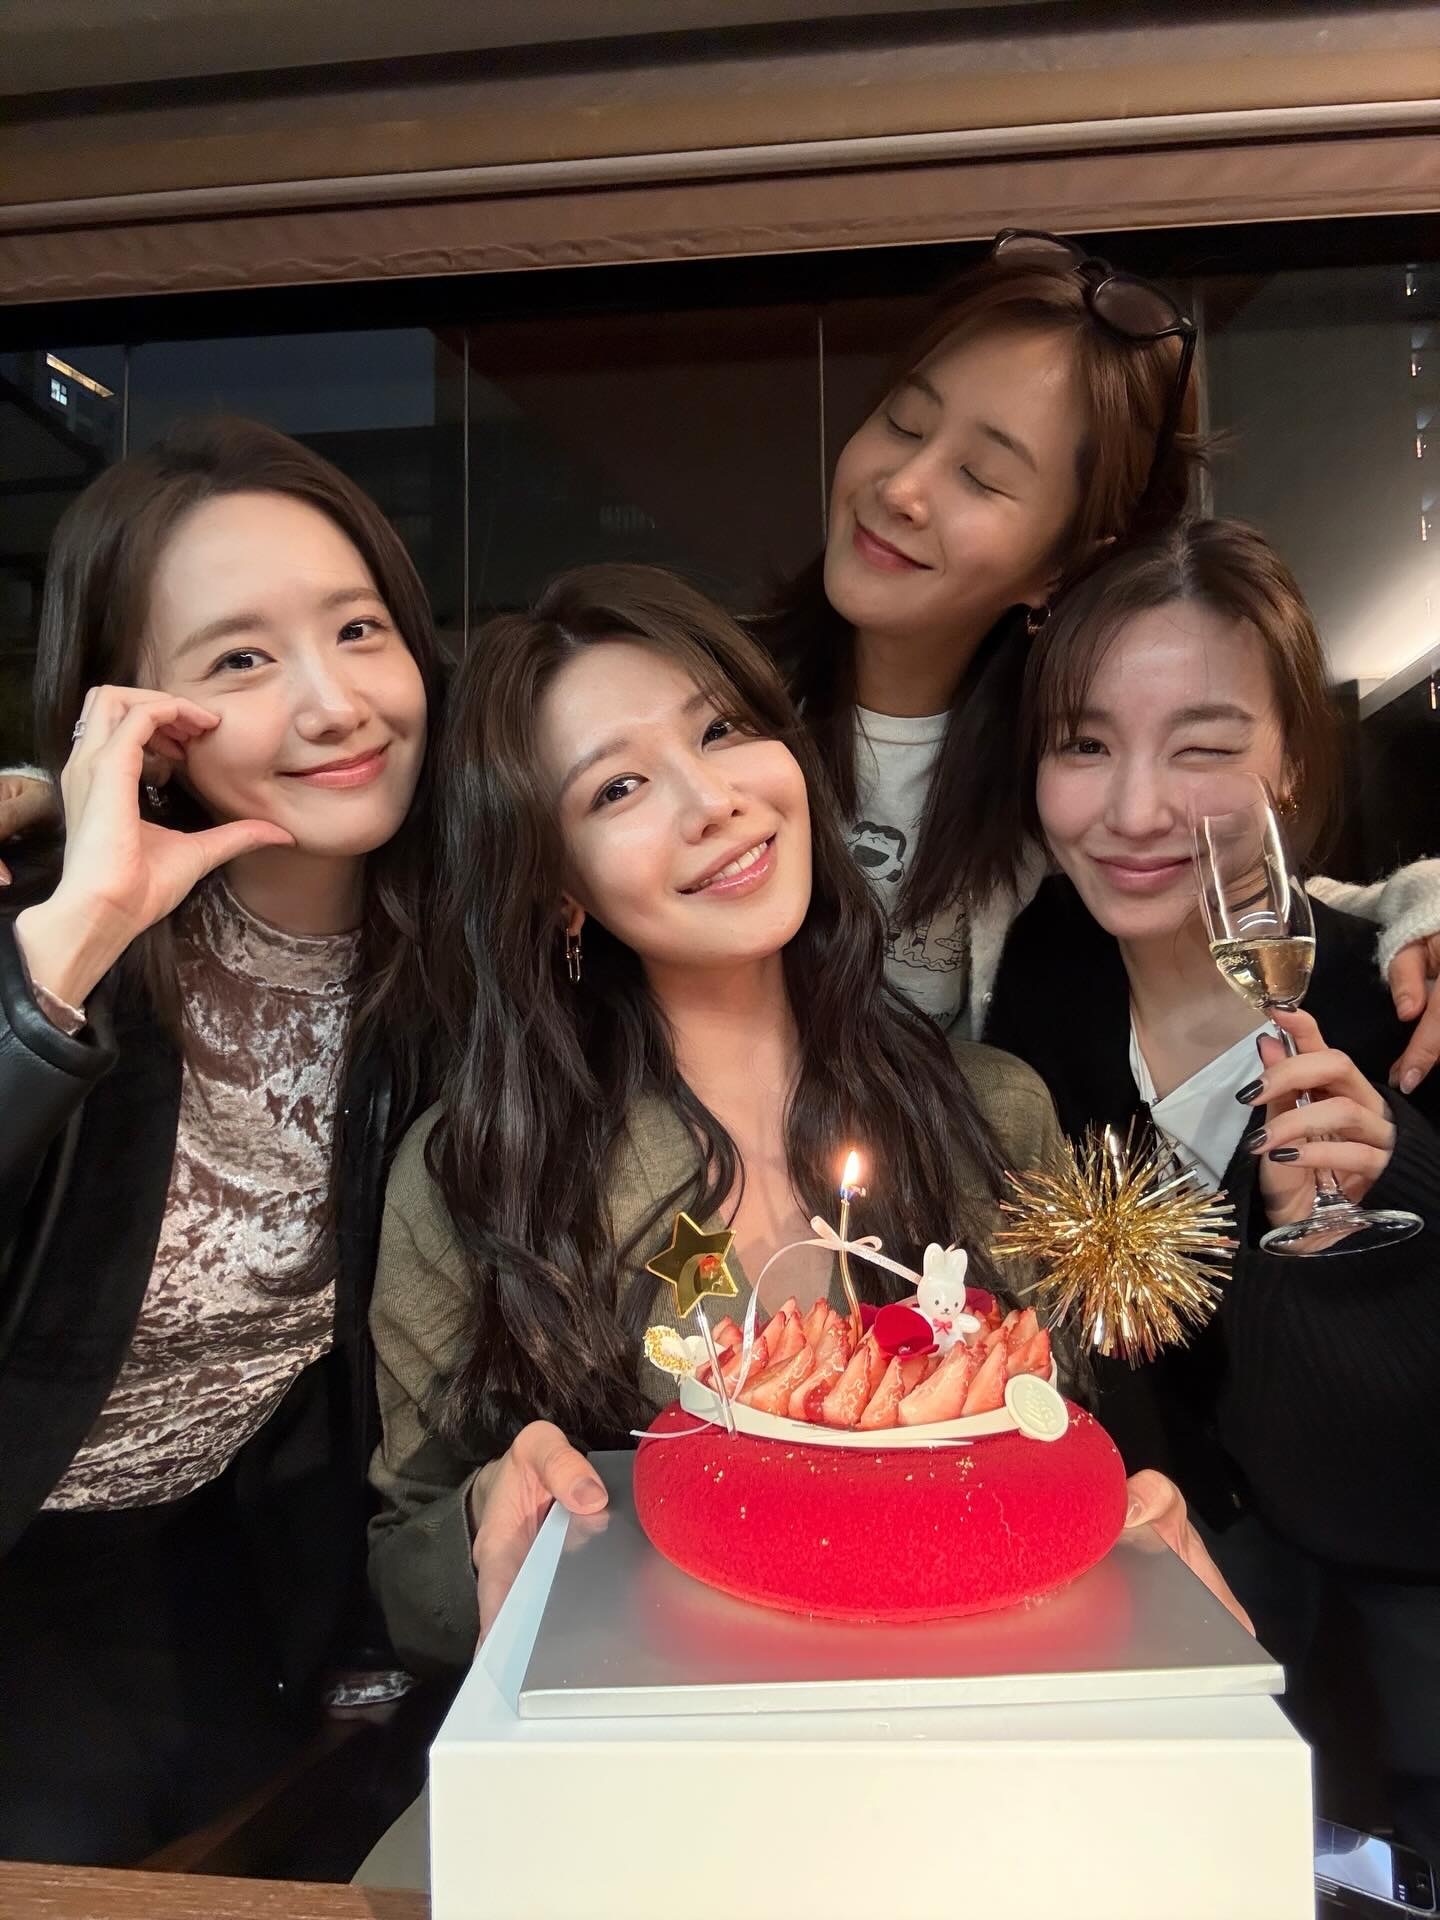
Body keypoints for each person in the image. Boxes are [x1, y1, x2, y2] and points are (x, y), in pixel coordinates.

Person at [364, 562, 1244, 1679]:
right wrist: (493, 1509)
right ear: (557, 886)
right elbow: (405, 1566)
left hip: (968, 1720)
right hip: (672, 1728)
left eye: (722, 730)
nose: (711, 801)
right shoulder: (482, 1173)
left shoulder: (990, 1113)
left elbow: (1064, 1444)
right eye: (618, 789)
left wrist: (1133, 1528)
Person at [0, 418, 443, 1864]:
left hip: (207, 1576)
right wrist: (67, 948)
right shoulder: (40, 929)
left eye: (358, 630)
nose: (334, 704)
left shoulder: (458, 961)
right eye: (240, 660)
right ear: (130, 720)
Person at [985, 518, 1440, 1859]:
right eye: (1084, 744)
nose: (1133, 812)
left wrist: (1368, 1227)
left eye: (1201, 747)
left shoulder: (1406, 1007)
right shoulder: (1043, 984)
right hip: (1165, 1675)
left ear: (1291, 758)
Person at [761, 231, 1440, 1085]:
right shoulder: (715, 704)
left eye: (981, 477)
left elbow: (1238, 889)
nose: (902, 488)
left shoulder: (1065, 758)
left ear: (1065, 562)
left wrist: (1422, 905)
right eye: (904, 423)